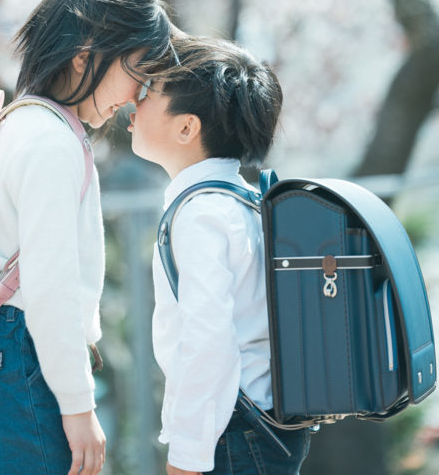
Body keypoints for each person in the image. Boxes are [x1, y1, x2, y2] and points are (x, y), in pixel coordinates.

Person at [0, 0, 175, 475]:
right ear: (86, 54)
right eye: (138, 69)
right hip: (18, 354)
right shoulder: (52, 143)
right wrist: (78, 406)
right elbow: (52, 287)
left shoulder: (17, 123)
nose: (137, 95)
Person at [127, 36, 311, 475]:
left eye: (150, 92)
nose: (134, 99)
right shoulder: (242, 201)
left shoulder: (199, 215)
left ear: (187, 128)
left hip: (233, 435)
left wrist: (187, 459)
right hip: (264, 426)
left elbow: (209, 342)